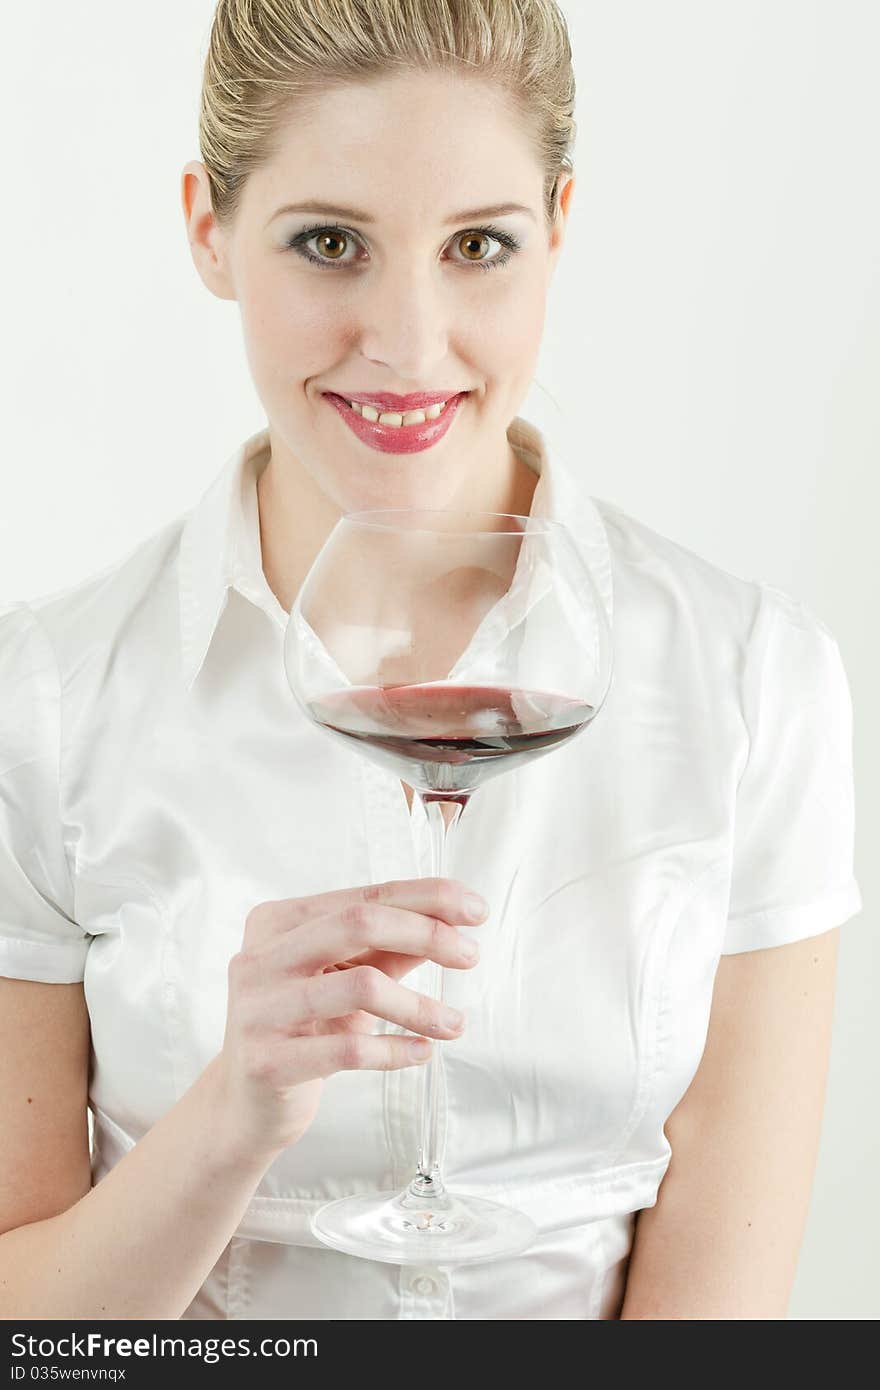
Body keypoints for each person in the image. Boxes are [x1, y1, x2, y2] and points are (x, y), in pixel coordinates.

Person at [0, 0, 862, 1322]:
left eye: (478, 246)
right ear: (208, 229)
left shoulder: (751, 684)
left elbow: (718, 1324)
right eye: (329, 243)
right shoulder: (46, 701)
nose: (408, 342)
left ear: (558, 231)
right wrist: (230, 1119)